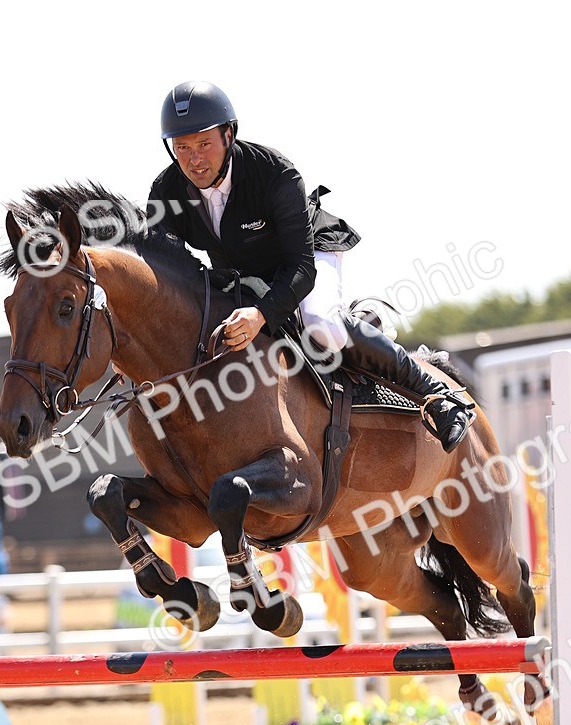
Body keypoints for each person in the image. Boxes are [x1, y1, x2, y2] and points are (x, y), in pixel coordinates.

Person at [148, 80, 476, 452]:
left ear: (229, 134)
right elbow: (166, 272)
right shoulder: (166, 192)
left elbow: (300, 268)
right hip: (242, 274)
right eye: (182, 148)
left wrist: (260, 315)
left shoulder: (274, 174)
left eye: (204, 144)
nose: (194, 160)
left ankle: (436, 392)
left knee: (321, 326)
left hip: (305, 257)